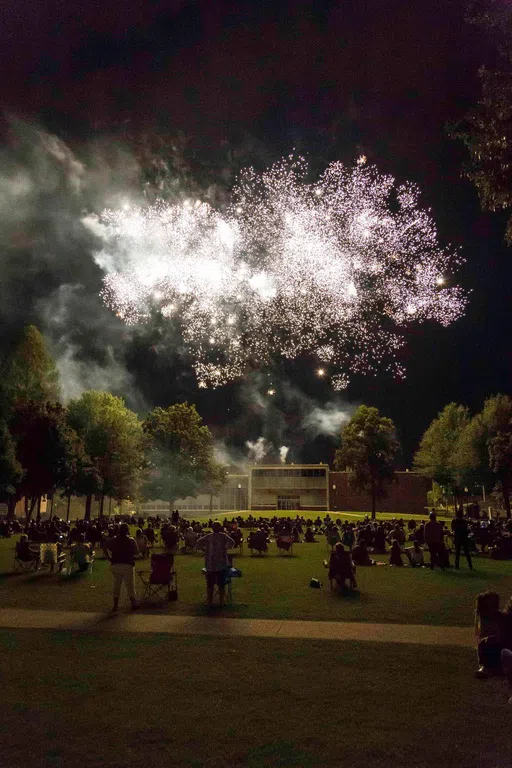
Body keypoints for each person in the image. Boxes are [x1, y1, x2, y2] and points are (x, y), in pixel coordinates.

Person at [197, 521, 235, 607]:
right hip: (221, 564)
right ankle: (221, 601)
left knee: (210, 584)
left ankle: (209, 601)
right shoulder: (223, 536)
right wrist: (225, 548)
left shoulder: (208, 536)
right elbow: (232, 542)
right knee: (221, 584)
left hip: (210, 564)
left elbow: (198, 542)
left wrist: (204, 550)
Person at [105, 523, 139, 612]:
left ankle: (115, 604)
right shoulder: (131, 540)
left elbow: (105, 546)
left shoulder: (114, 540)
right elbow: (136, 551)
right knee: (130, 585)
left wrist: (109, 558)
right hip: (127, 564)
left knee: (117, 585)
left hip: (116, 564)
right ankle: (133, 602)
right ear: (127, 530)